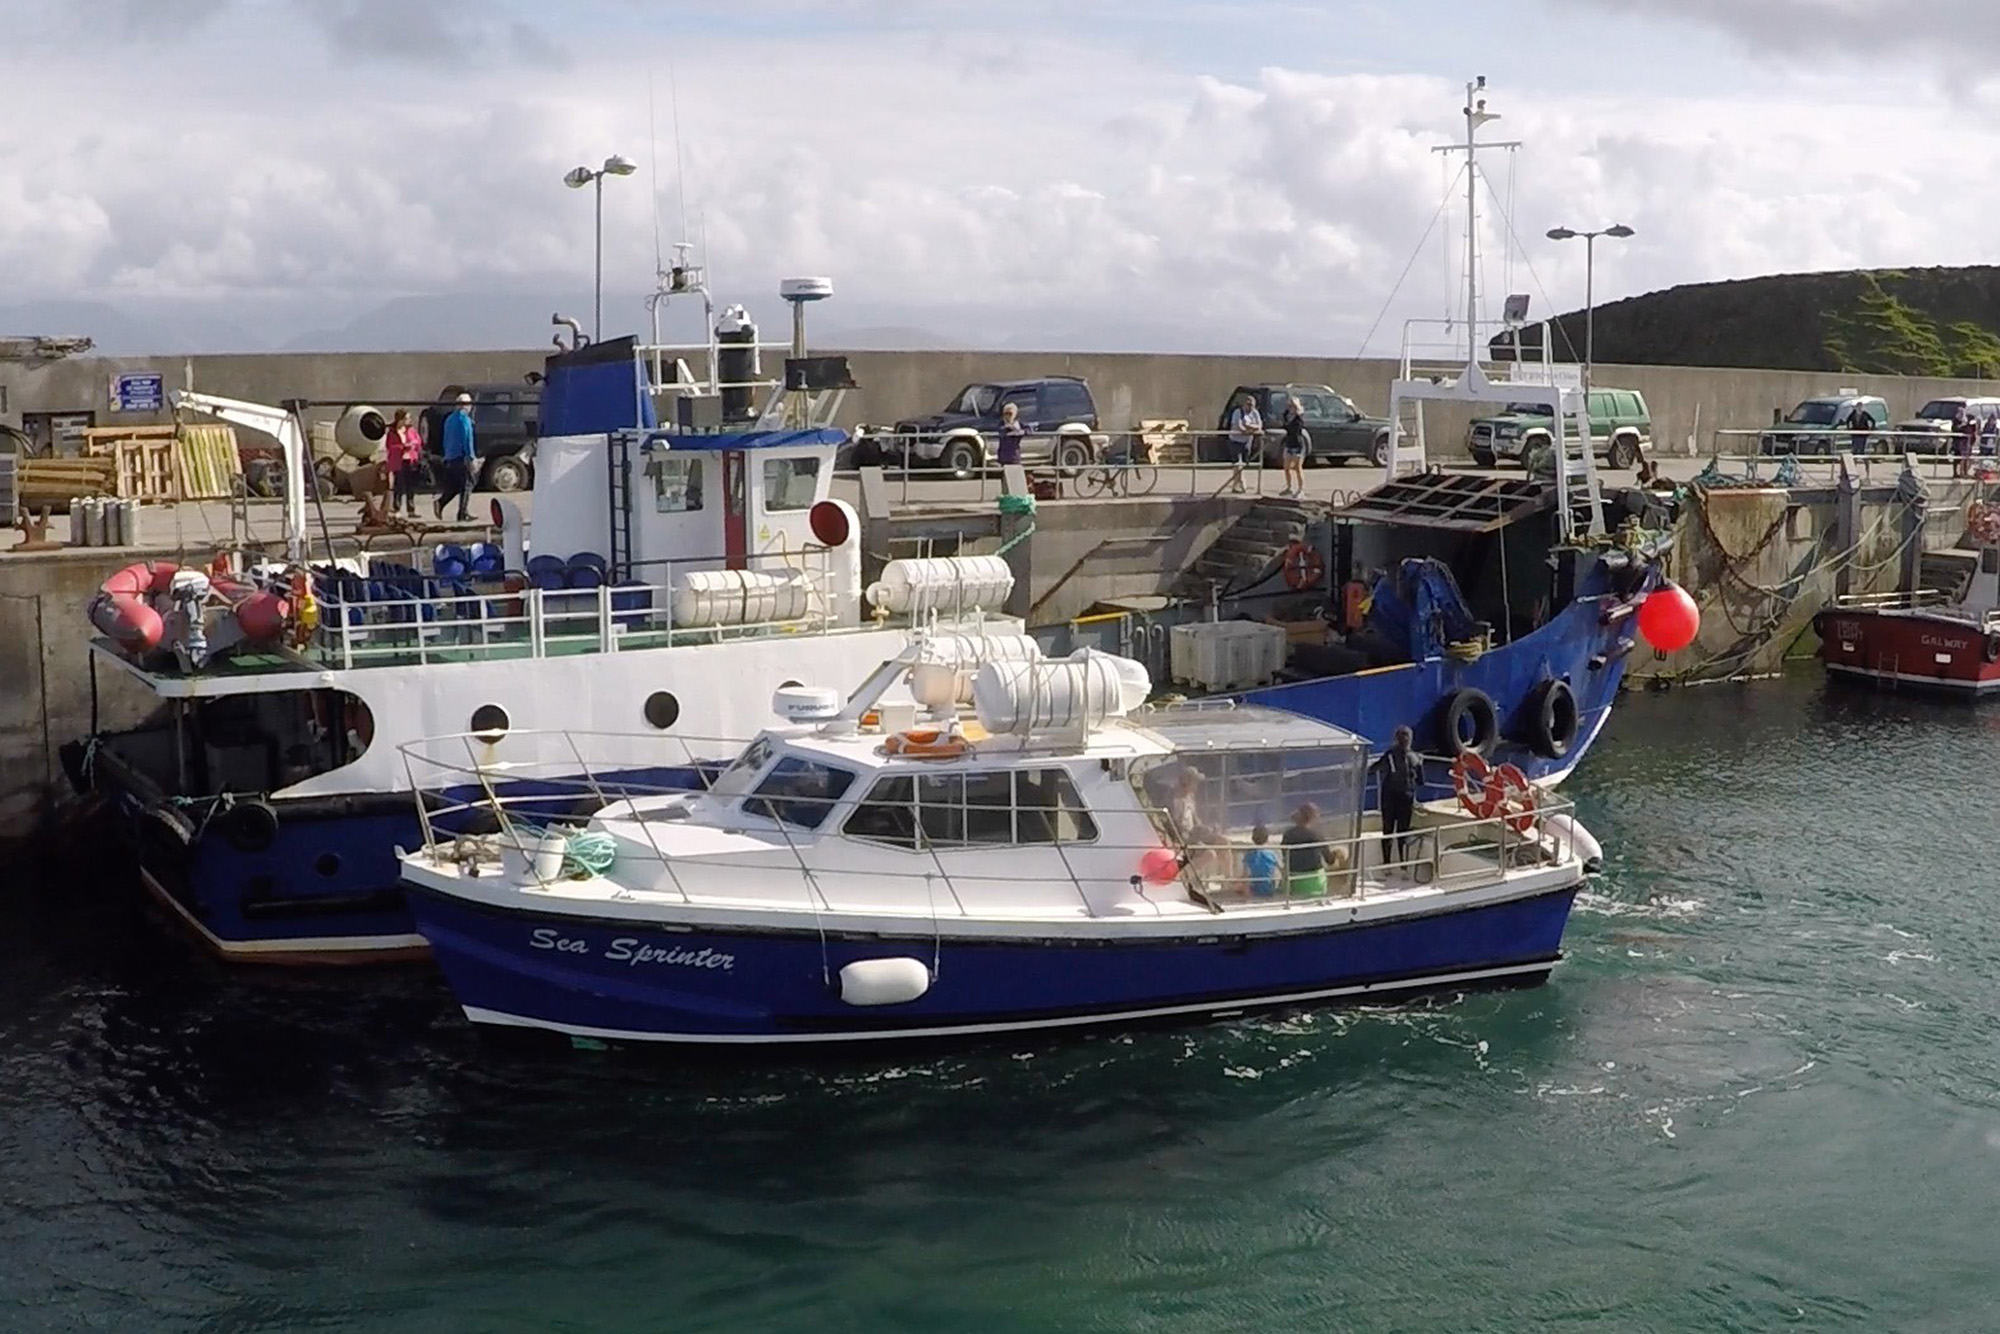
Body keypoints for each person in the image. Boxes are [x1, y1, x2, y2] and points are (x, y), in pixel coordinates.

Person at [1370, 725, 1422, 874]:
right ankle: (1392, 865)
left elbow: (1420, 780)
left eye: (1406, 736)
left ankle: (1399, 866)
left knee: (1398, 833)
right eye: (1403, 736)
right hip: (1395, 798)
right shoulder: (1404, 757)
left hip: (1400, 798)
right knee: (1392, 832)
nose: (1405, 739)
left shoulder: (1406, 757)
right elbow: (1421, 781)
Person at [1280, 802, 1341, 898]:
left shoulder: (1288, 835)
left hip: (1294, 882)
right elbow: (1330, 861)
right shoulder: (1316, 835)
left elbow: (1285, 855)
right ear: (1312, 818)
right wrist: (1337, 853)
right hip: (1315, 883)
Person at [434, 392, 475, 522]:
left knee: (455, 485)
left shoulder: (449, 419)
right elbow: (467, 439)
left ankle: (441, 502)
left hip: (449, 456)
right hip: (461, 457)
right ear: (466, 406)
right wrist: (471, 457)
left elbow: (445, 439)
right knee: (468, 484)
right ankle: (462, 513)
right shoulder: (464, 419)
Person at [383, 408, 422, 516]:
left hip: (410, 460)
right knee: (398, 485)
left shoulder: (411, 430)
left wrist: (413, 444)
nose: (409, 420)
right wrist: (402, 447)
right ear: (400, 419)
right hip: (398, 461)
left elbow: (418, 441)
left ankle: (411, 509)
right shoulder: (392, 433)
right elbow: (390, 446)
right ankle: (397, 508)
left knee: (410, 485)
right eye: (406, 418)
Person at [1225, 392, 1262, 494]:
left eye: (1252, 405)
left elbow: (1259, 426)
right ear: (1244, 404)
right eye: (1248, 405)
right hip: (1235, 440)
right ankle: (1242, 482)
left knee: (1243, 463)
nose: (1250, 407)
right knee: (1238, 462)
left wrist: (1248, 427)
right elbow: (1239, 426)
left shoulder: (1255, 413)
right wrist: (1250, 428)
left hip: (1247, 441)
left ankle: (1235, 485)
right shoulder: (1238, 412)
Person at [1279, 397, 1310, 497]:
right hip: (1289, 443)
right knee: (1286, 467)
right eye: (1289, 405)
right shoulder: (1287, 416)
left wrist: (1289, 423)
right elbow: (1284, 424)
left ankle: (1301, 490)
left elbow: (1295, 429)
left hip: (1297, 445)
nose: (1290, 407)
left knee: (1297, 467)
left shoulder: (1298, 418)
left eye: (1292, 405)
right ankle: (1289, 487)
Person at [1243, 824, 1280, 899]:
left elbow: (1245, 876)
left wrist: (1247, 895)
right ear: (1267, 839)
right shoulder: (1271, 854)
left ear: (1252, 838)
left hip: (1254, 889)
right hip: (1269, 889)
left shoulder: (1249, 855)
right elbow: (1281, 869)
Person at [996, 400, 1025, 468]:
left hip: (1014, 457)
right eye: (1005, 413)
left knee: (1014, 474)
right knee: (1005, 475)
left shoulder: (1018, 424)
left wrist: (1018, 431)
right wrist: (1007, 428)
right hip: (1003, 457)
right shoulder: (1001, 424)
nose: (1007, 416)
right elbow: (999, 431)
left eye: (1010, 414)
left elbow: (1028, 430)